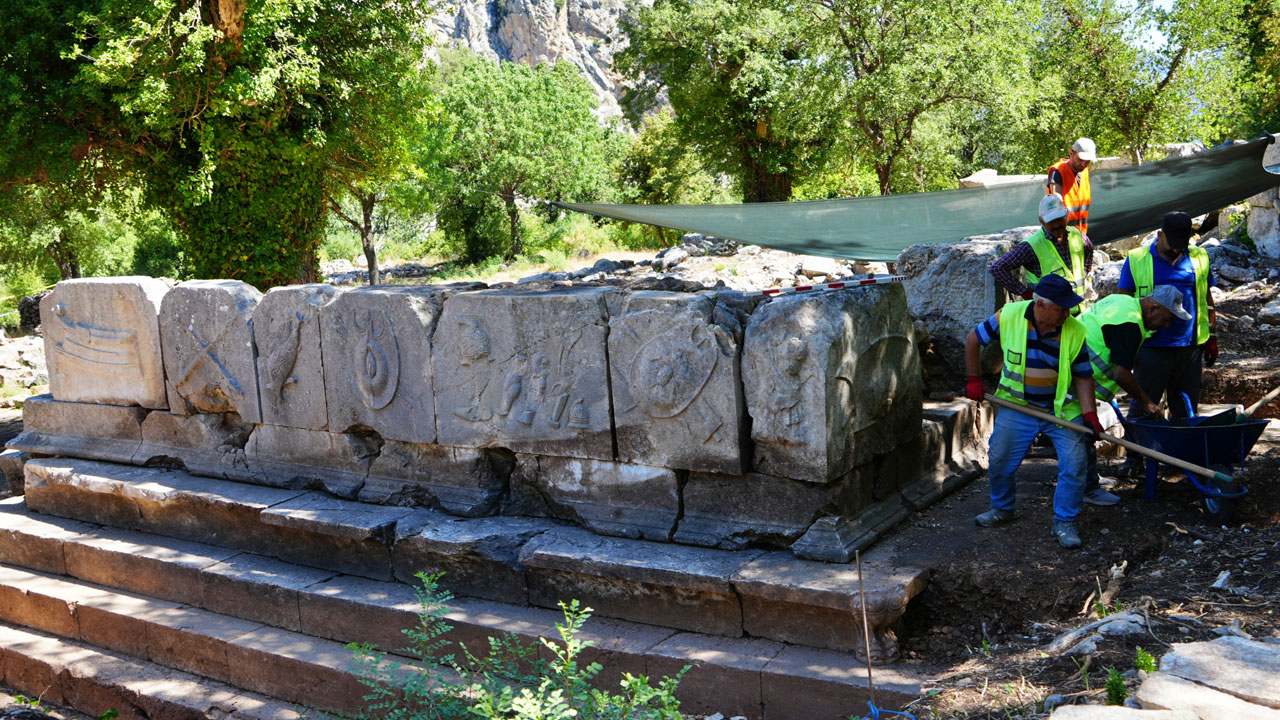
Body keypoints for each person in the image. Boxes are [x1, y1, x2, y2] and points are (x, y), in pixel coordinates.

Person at [964, 274, 1101, 549]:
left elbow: (1083, 376)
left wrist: (1089, 414)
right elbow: (972, 340)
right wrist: (973, 379)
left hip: (1060, 409)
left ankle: (1064, 522)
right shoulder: (1009, 315)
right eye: (1061, 307)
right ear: (1040, 305)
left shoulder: (1074, 331)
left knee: (1074, 465)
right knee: (1000, 459)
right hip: (1019, 406)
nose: (1067, 312)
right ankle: (1002, 508)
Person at [1076, 286, 1188, 505]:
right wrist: (1146, 402)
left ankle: (1087, 479)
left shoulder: (1122, 303)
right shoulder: (1130, 325)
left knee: (1083, 431)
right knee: (1084, 432)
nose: (1166, 326)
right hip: (1074, 374)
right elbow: (1121, 374)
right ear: (1154, 307)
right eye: (1166, 320)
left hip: (1074, 366)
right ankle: (1087, 488)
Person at [990, 194, 1094, 314]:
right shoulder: (1032, 246)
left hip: (1079, 311)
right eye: (1051, 221)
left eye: (1059, 218)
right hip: (1050, 318)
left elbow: (1089, 249)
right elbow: (998, 268)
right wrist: (1026, 293)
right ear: (1041, 221)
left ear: (1066, 214)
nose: (1056, 224)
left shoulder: (1077, 235)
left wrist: (1084, 272)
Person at [1048, 138, 1096, 236]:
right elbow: (1056, 199)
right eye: (1080, 160)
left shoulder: (1084, 172)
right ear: (1071, 153)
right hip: (1061, 236)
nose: (1083, 164)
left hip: (1079, 236)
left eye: (1087, 161)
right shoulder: (1058, 171)